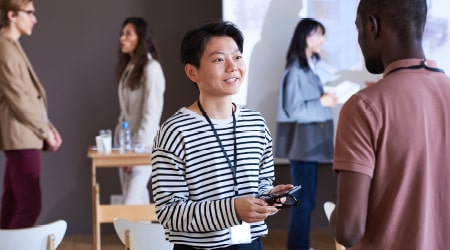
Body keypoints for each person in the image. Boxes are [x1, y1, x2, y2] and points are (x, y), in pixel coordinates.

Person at [151, 21, 293, 249]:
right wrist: (233, 209)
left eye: (237, 57)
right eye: (219, 59)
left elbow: (261, 184)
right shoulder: (175, 132)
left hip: (251, 243)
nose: (232, 67)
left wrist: (269, 197)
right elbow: (169, 212)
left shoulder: (255, 124)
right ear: (192, 71)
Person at [330, 0, 450, 249]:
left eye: (358, 29)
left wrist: (334, 210)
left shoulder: (363, 107)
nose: (359, 41)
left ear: (372, 26)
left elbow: (348, 230)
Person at [274, 18, 337, 250]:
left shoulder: (308, 68)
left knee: (306, 201)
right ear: (306, 37)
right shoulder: (295, 71)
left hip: (308, 147)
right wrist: (322, 101)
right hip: (302, 147)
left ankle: (299, 246)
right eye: (318, 34)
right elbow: (294, 110)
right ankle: (298, 247)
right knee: (304, 202)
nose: (322, 40)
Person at [0, 0, 62, 229]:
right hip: (21, 136)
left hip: (23, 135)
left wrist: (49, 128)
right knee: (29, 205)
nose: (34, 19)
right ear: (11, 15)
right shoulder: (4, 47)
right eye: (30, 13)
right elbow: (19, 98)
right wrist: (44, 131)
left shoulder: (11, 45)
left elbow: (28, 97)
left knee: (13, 202)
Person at [113, 17, 165, 205]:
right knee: (138, 201)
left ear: (141, 38)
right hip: (125, 142)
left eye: (128, 34)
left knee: (130, 203)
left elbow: (151, 114)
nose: (122, 38)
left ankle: (136, 235)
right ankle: (143, 235)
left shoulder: (152, 68)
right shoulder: (131, 68)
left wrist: (135, 152)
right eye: (122, 33)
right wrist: (123, 146)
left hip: (143, 145)